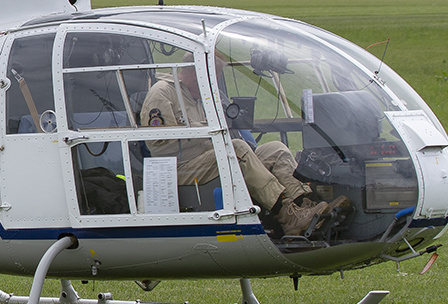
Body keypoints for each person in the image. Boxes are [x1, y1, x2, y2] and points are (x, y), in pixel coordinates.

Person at [142, 62, 337, 237]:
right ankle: (289, 217)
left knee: (275, 150)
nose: (214, 81)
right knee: (237, 149)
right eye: (213, 75)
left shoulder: (198, 96)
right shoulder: (162, 92)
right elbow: (158, 144)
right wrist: (209, 137)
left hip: (209, 160)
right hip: (179, 167)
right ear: (194, 72)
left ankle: (305, 205)